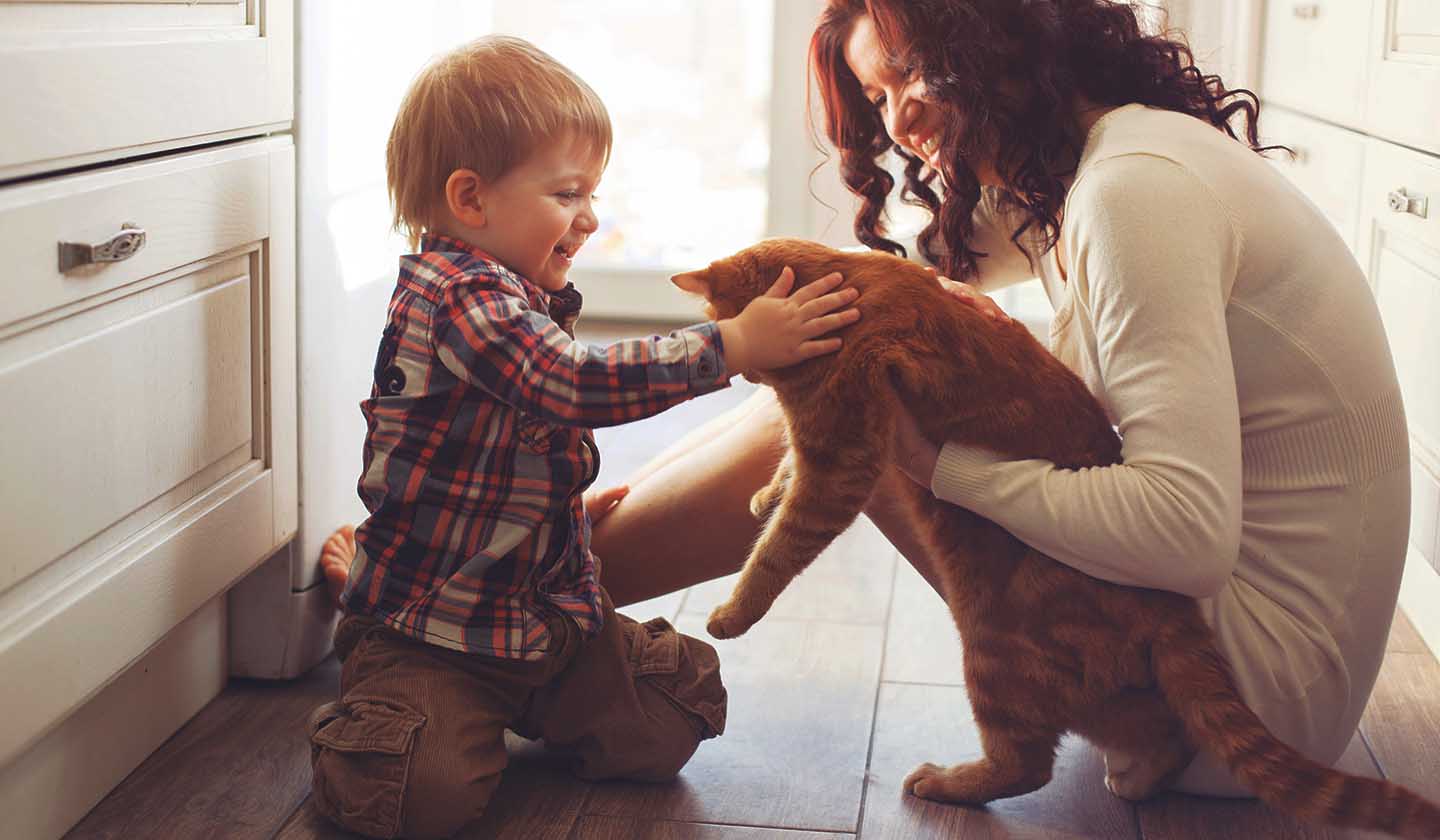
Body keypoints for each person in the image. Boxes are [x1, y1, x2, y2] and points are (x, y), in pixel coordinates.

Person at [307, 35, 860, 839]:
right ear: (471, 199)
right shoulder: (458, 295)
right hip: (434, 632)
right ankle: (376, 666)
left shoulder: (511, 287)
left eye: (592, 193)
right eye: (569, 194)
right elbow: (570, 383)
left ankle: (474, 708)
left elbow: (512, 443)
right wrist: (732, 345)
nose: (591, 218)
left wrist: (556, 515)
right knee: (410, 799)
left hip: (539, 621)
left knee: (679, 710)